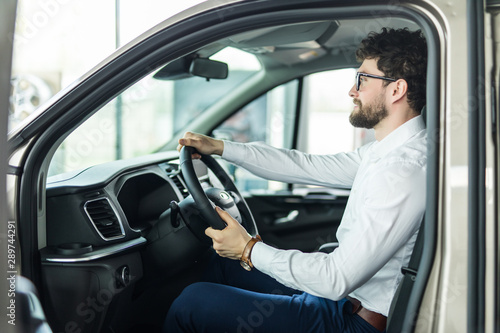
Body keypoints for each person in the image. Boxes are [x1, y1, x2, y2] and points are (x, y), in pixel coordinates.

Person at [164, 27, 427, 333]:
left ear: (396, 90)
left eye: (362, 79)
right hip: (342, 301)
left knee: (192, 303)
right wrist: (223, 148)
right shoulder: (388, 152)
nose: (352, 91)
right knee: (220, 264)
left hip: (352, 321)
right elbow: (305, 166)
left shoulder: (402, 170)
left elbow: (334, 278)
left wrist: (249, 249)